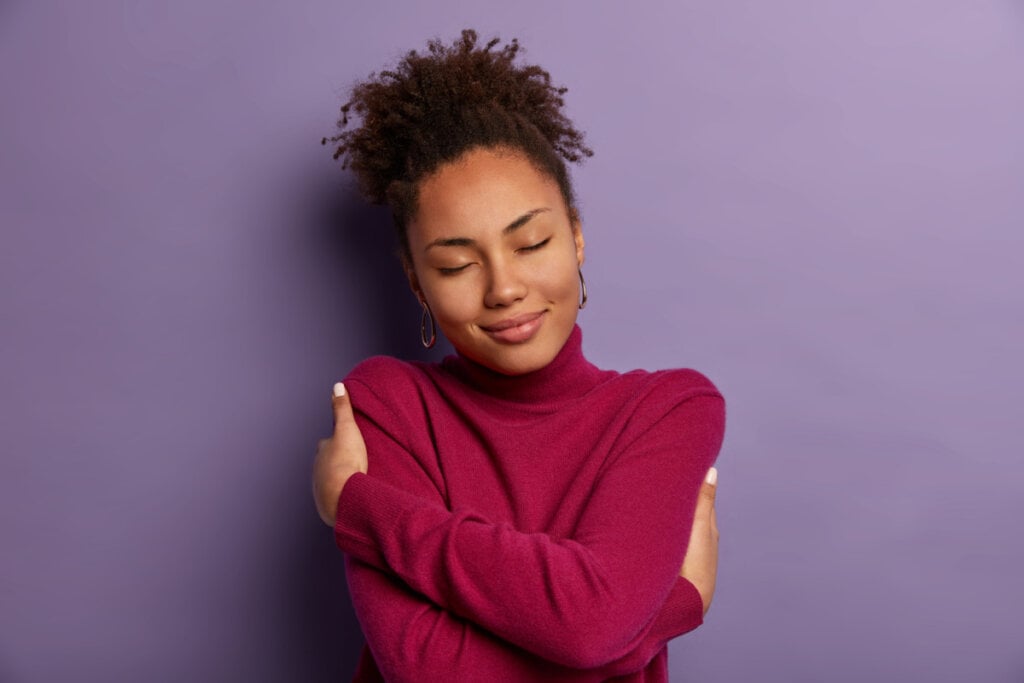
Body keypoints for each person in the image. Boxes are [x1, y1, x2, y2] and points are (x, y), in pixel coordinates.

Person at [312, 29, 726, 682]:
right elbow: (431, 672)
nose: (504, 288)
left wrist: (361, 508)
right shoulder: (388, 404)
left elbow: (593, 626)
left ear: (577, 237)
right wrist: (677, 604)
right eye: (455, 263)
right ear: (416, 281)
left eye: (531, 243)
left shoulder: (669, 408)